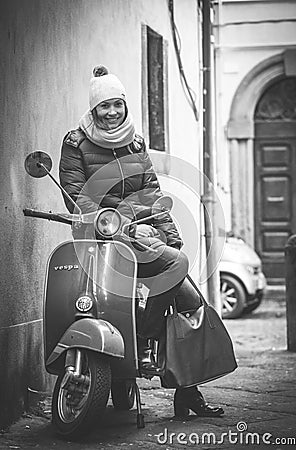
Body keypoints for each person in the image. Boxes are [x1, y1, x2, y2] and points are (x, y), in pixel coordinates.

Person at [59, 65, 224, 418]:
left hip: (138, 238)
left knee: (191, 301)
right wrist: (117, 219)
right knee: (176, 269)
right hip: (98, 240)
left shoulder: (135, 142)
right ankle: (141, 342)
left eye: (117, 105)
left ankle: (186, 393)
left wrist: (172, 237)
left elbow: (150, 193)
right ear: (93, 110)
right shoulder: (75, 143)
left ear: (125, 106)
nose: (112, 112)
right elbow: (77, 195)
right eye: (104, 106)